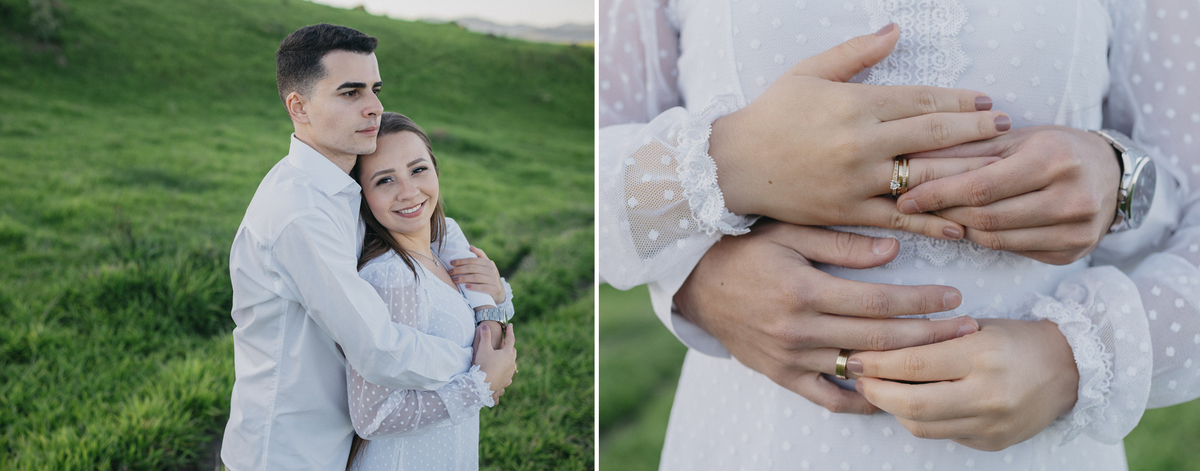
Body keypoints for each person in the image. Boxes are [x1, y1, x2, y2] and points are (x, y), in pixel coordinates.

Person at [599, 0, 1200, 469]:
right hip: (755, 441)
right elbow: (584, 172)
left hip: (1040, 452)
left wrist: (1076, 357)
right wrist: (720, 197)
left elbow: (1187, 197)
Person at [221, 24, 512, 470]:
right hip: (289, 452)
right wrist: (477, 365)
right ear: (298, 106)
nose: (375, 107)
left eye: (374, 89)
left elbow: (436, 226)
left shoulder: (344, 184)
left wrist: (489, 301)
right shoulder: (300, 212)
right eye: (350, 93)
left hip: (344, 445)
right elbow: (378, 349)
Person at [342, 112, 517, 470]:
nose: (409, 192)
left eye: (418, 169)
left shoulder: (439, 250)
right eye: (385, 180)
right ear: (363, 197)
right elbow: (371, 415)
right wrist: (479, 387)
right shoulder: (391, 277)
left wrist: (496, 300)